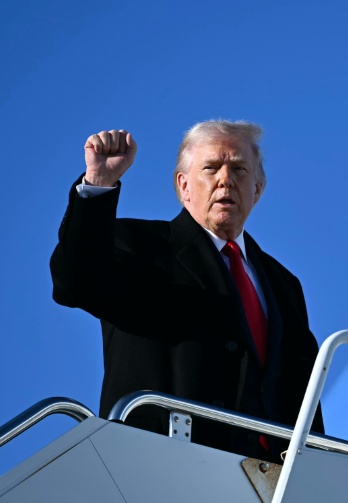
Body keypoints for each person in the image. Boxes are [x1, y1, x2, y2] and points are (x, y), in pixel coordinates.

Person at [50, 121, 323, 463]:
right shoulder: (139, 246)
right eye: (211, 168)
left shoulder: (284, 283)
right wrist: (99, 185)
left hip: (272, 478)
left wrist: (318, 472)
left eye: (239, 168)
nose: (225, 179)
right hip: (162, 465)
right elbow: (76, 283)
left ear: (257, 187)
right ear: (184, 186)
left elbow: (299, 384)